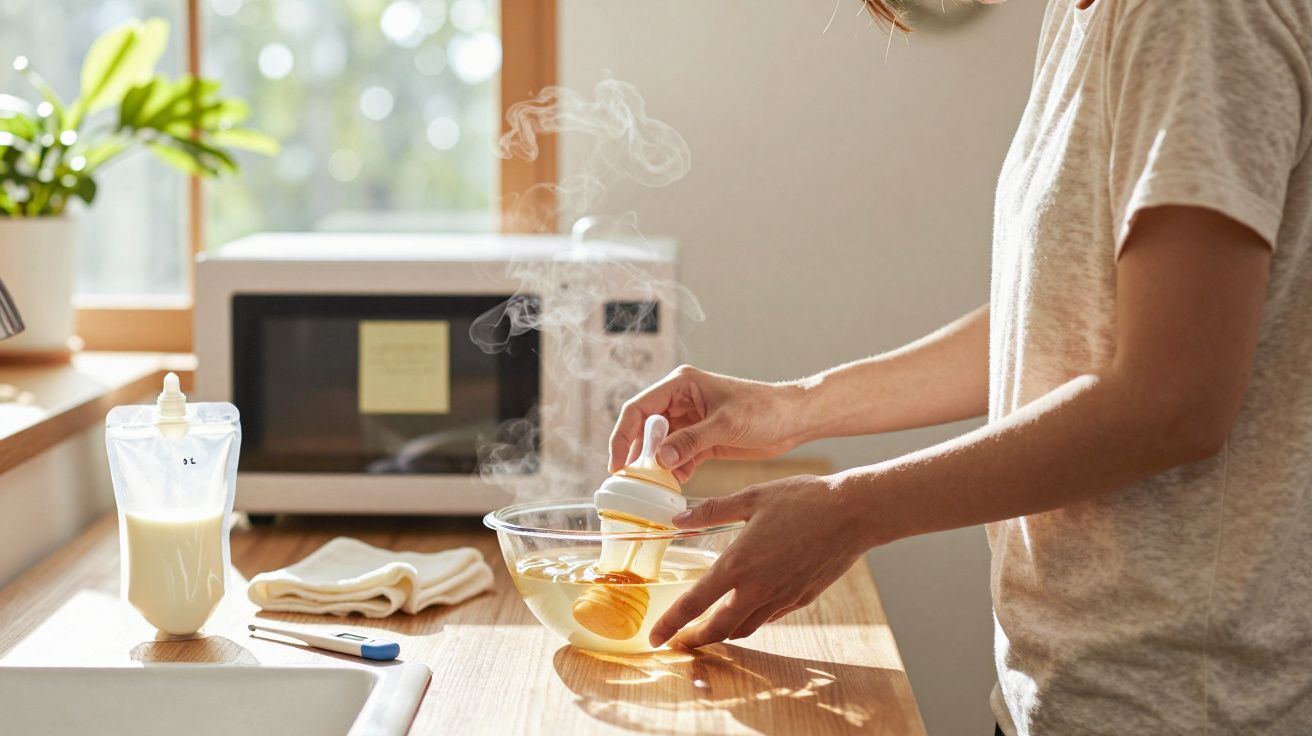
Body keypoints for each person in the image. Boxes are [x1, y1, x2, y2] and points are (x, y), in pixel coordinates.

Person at [606, 0, 1312, 732]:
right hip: (1060, 689)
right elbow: (1064, 322)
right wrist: (796, 405)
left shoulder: (1198, 16)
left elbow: (1174, 400)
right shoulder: (1084, 15)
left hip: (1181, 707)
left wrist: (851, 512)